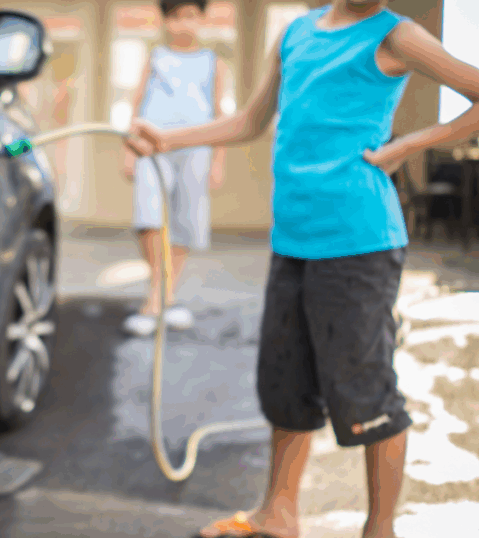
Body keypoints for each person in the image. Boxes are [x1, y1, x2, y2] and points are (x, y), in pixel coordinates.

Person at [127, 1, 479, 537]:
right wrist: (167, 141)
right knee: (286, 380)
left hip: (359, 243)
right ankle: (279, 514)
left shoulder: (399, 36)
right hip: (293, 239)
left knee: (366, 392)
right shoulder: (295, 33)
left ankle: (379, 529)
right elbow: (249, 120)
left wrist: (409, 145)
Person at [121, 0, 228, 337]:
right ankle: (156, 295)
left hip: (195, 150)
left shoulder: (214, 63)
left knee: (184, 220)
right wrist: (128, 150)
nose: (183, 24)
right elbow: (136, 104)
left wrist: (218, 159)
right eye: (176, 17)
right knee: (149, 216)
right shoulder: (154, 58)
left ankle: (164, 296)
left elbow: (220, 114)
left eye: (191, 17)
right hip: (151, 149)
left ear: (202, 19)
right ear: (165, 21)